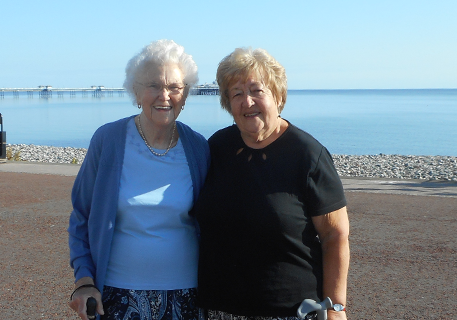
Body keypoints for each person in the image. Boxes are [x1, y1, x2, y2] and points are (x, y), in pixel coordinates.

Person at [195, 48, 350, 320]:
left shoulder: (307, 154)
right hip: (220, 308)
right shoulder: (217, 147)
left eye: (257, 90)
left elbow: (334, 235)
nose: (247, 101)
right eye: (237, 93)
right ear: (227, 102)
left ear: (278, 96)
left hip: (288, 310)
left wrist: (336, 306)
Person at [67, 39, 210, 320]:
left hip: (187, 297)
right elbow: (81, 215)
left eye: (174, 87)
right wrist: (84, 280)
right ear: (135, 90)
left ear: (186, 93)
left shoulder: (198, 147)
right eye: (154, 85)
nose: (164, 95)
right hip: (117, 295)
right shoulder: (108, 140)